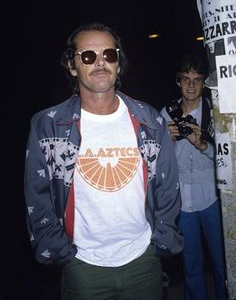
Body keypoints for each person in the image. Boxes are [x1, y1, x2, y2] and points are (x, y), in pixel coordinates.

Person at [24, 22, 184, 300]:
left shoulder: (150, 121)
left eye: (109, 55)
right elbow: (37, 199)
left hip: (143, 261)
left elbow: (168, 188)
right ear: (72, 66)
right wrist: (61, 252)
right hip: (83, 267)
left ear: (119, 63)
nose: (100, 63)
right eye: (88, 56)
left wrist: (160, 240)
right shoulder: (49, 125)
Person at [161, 53, 227, 300]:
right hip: (182, 202)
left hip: (213, 199)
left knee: (224, 263)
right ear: (178, 81)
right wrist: (164, 142)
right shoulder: (166, 114)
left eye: (197, 80)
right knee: (191, 265)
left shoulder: (216, 113)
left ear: (203, 83)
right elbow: (155, 162)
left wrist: (203, 145)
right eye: (186, 79)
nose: (191, 85)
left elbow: (228, 159)